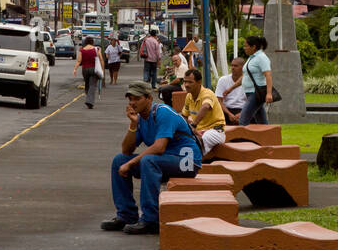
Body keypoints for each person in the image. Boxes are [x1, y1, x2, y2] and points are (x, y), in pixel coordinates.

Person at [102, 80, 201, 234]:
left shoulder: (163, 112)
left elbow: (159, 147)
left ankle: (151, 219)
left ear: (149, 98)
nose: (132, 103)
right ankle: (126, 215)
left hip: (187, 162)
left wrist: (131, 164)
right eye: (130, 99)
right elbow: (126, 150)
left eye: (137, 98)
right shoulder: (141, 119)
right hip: (165, 161)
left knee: (148, 160)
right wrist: (133, 125)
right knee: (119, 160)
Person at [182, 68, 228, 155]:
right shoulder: (189, 96)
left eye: (190, 82)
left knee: (199, 140)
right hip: (199, 131)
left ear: (199, 82)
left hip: (216, 131)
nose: (186, 85)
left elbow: (206, 106)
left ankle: (196, 163)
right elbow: (184, 115)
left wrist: (193, 124)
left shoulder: (207, 93)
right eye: (185, 82)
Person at [240, 34, 273, 125]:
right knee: (261, 120)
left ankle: (241, 138)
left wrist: (269, 93)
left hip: (256, 93)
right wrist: (230, 88)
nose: (244, 48)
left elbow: (268, 75)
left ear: (253, 47)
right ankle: (267, 138)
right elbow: (246, 75)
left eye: (246, 46)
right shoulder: (252, 58)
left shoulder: (261, 57)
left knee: (243, 119)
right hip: (249, 92)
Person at [214, 57, 247, 124]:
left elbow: (251, 101)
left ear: (243, 68)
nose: (232, 68)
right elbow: (218, 100)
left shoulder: (249, 81)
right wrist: (229, 114)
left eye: (236, 66)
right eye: (232, 65)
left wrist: (242, 114)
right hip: (226, 109)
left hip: (243, 109)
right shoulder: (223, 80)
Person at [74, 36, 101, 109]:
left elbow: (79, 61)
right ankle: (89, 101)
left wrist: (75, 69)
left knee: (87, 84)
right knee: (92, 85)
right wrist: (102, 69)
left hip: (85, 70)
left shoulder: (82, 50)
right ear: (92, 42)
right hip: (94, 69)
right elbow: (101, 59)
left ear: (85, 42)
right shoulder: (96, 49)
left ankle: (88, 97)